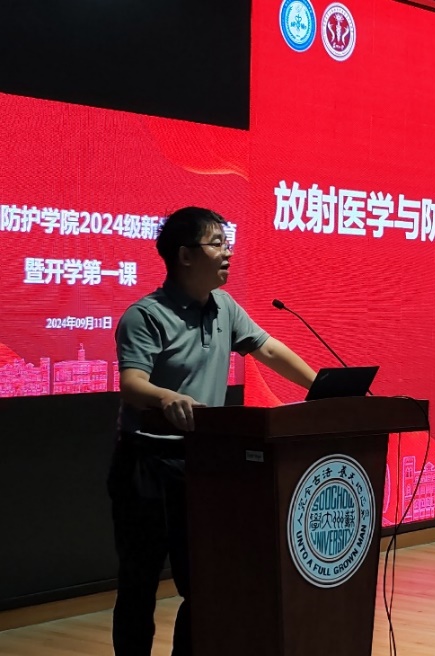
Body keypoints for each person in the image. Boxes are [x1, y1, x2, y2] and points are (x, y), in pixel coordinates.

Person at [107, 206, 316, 656]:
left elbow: (268, 349)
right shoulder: (145, 315)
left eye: (228, 243)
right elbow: (131, 383)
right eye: (217, 243)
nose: (228, 253)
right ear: (185, 255)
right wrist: (166, 397)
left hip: (201, 463)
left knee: (202, 582)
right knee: (139, 581)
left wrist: (320, 387)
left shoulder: (225, 308)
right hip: (145, 462)